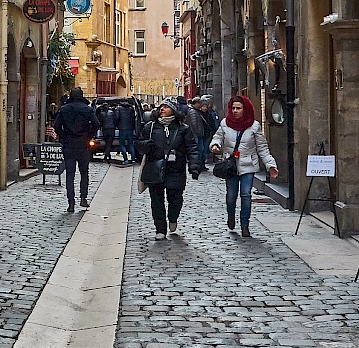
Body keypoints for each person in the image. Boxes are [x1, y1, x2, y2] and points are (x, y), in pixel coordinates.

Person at [210, 94, 278, 238]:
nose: (235, 111)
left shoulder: (254, 126)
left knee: (246, 194)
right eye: (233, 108)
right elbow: (218, 137)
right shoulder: (225, 123)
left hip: (248, 164)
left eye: (238, 108)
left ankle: (245, 225)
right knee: (231, 196)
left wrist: (270, 165)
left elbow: (262, 148)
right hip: (231, 165)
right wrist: (215, 145)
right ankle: (231, 216)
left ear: (245, 109)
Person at [136, 99, 202, 240]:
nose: (162, 109)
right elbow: (138, 142)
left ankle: (173, 217)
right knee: (156, 201)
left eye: (166, 107)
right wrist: (146, 145)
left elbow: (191, 148)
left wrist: (194, 166)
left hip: (175, 169)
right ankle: (160, 229)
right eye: (161, 107)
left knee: (175, 199)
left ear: (173, 110)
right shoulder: (151, 127)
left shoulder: (183, 128)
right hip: (155, 167)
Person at [53, 87, 99, 213]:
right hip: (83, 145)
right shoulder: (87, 109)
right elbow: (96, 124)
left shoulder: (64, 109)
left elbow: (56, 126)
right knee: (84, 173)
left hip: (68, 144)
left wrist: (63, 136)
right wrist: (88, 135)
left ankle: (71, 202)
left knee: (69, 174)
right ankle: (83, 198)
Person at [115, 100, 138, 165]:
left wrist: (117, 125)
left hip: (122, 128)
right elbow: (134, 118)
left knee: (122, 144)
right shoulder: (131, 108)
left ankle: (125, 159)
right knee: (131, 144)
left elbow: (117, 117)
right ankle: (133, 159)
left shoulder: (119, 108)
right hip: (130, 128)